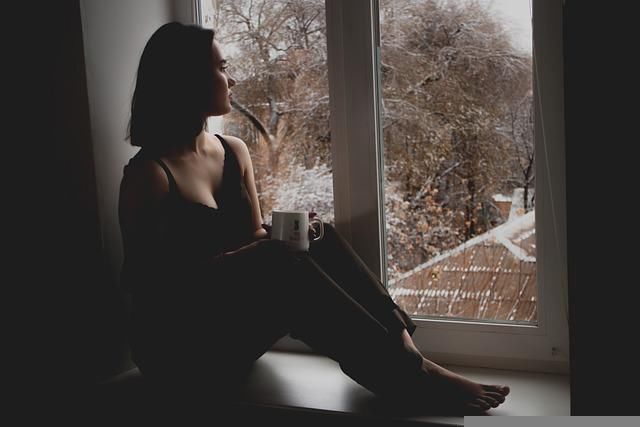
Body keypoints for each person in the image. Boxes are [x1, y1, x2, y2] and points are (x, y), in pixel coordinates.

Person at [118, 22, 509, 414]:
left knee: (319, 235)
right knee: (282, 264)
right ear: (187, 81)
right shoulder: (149, 175)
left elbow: (252, 236)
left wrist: (286, 235)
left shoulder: (233, 151)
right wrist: (255, 255)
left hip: (235, 328)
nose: (232, 78)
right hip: (180, 351)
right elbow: (150, 288)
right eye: (222, 68)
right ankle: (410, 375)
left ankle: (407, 352)